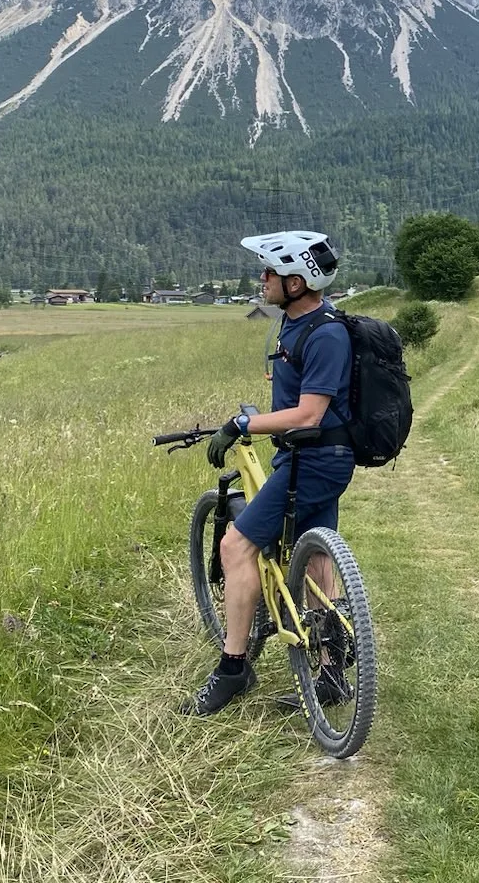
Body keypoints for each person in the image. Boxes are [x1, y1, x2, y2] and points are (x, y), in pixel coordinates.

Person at [181, 230, 355, 717]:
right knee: (317, 562)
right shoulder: (296, 326)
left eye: (271, 273)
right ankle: (330, 674)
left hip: (315, 459)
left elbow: (308, 415)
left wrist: (243, 423)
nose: (263, 279)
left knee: (235, 546)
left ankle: (234, 668)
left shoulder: (325, 334)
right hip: (310, 458)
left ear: (296, 282)